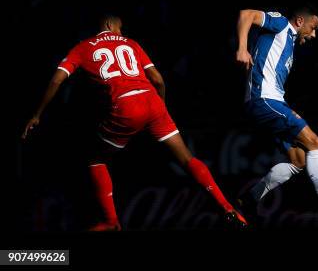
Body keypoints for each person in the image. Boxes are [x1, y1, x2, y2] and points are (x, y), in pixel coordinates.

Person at [23, 14, 247, 231]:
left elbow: (57, 79)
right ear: (111, 25)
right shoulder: (131, 43)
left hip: (126, 105)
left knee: (95, 158)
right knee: (187, 157)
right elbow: (158, 79)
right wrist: (161, 109)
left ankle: (111, 221)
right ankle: (227, 207)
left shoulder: (83, 47)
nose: (120, 32)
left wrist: (37, 114)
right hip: (152, 99)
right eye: (120, 28)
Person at [235, 5, 318, 218]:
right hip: (263, 99)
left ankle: (249, 199)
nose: (313, 34)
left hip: (267, 102)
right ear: (300, 21)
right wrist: (242, 48)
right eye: (313, 27)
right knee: (314, 142)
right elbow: (246, 14)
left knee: (299, 160)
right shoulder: (281, 23)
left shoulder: (290, 42)